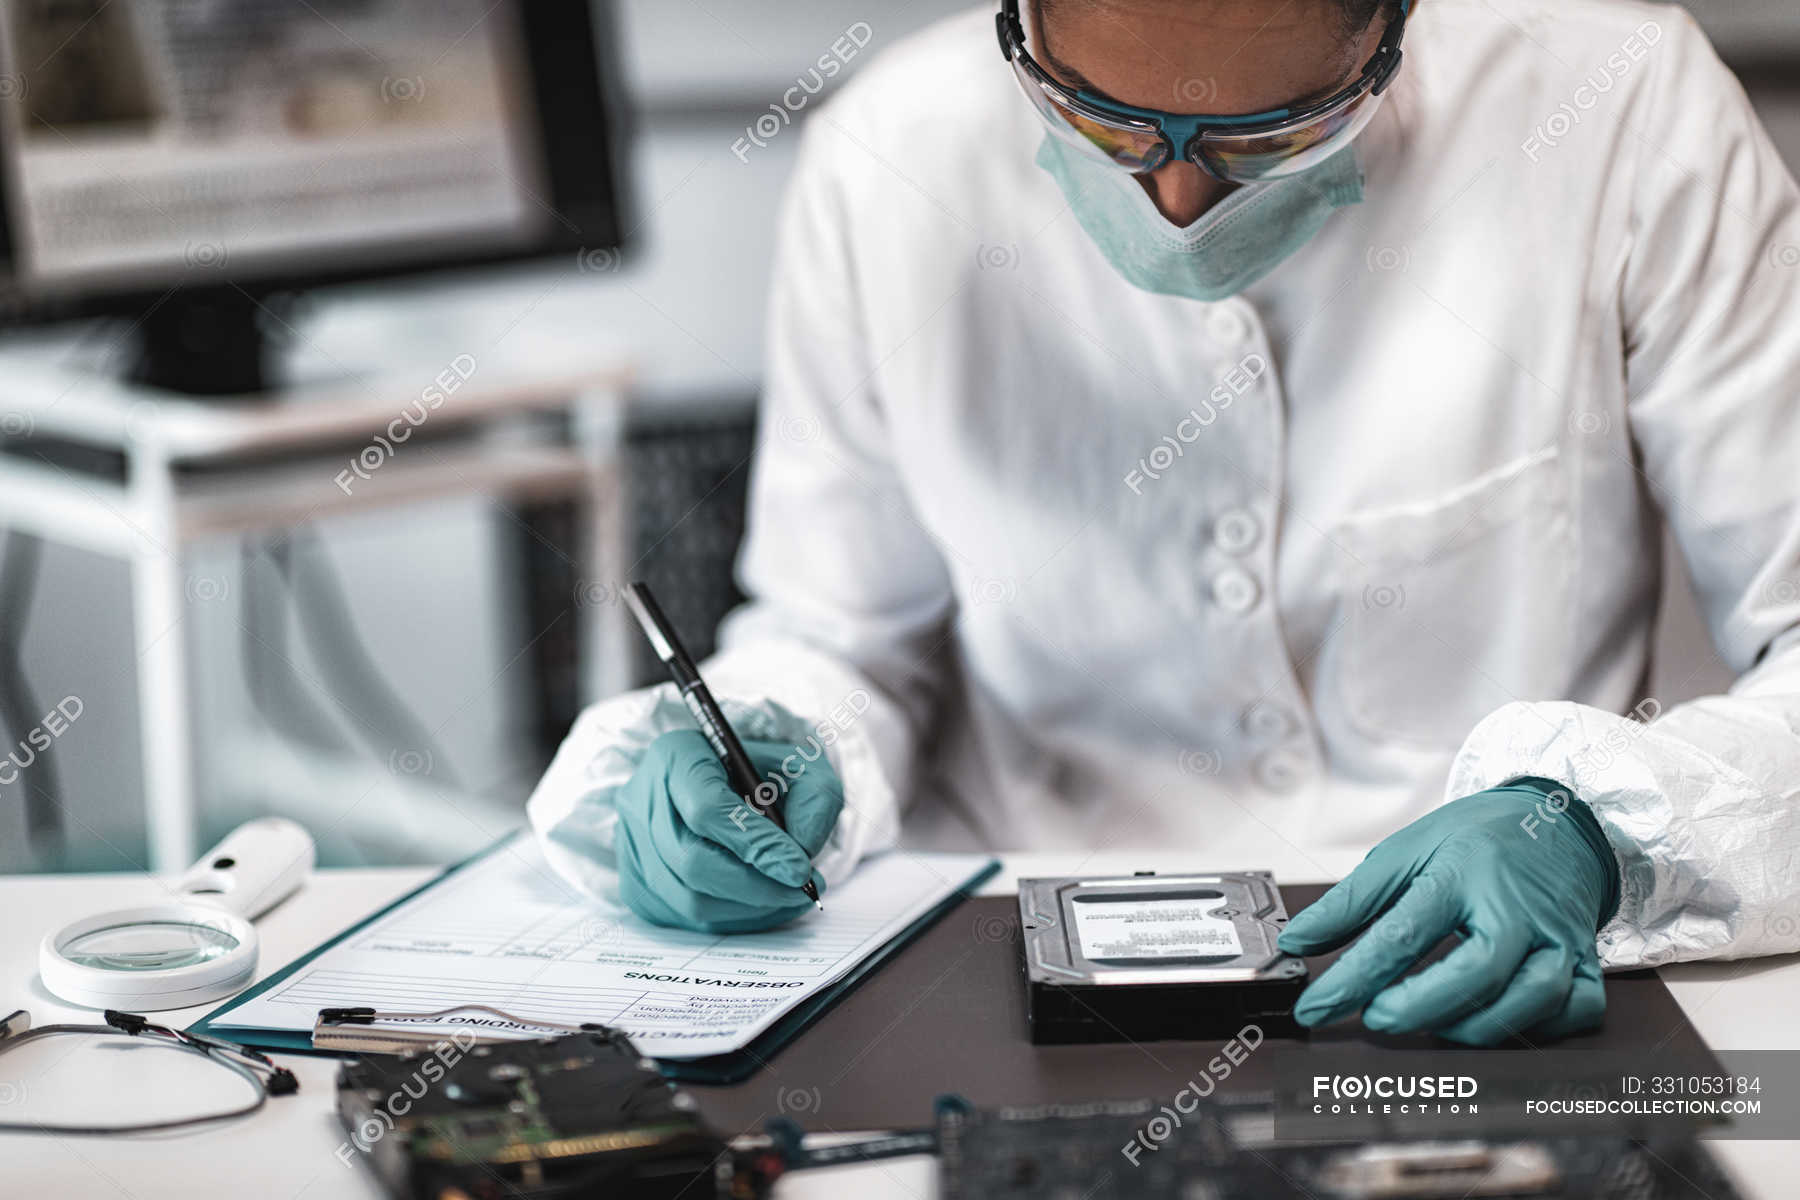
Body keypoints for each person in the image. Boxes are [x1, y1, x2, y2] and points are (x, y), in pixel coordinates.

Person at [529, 0, 1800, 1045]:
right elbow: (848, 635)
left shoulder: (1623, 108)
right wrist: (785, 739)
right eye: (1099, 124)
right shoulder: (887, 161)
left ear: (1393, 30)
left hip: (1483, 967)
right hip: (1004, 968)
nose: (1180, 200)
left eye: (1273, 136)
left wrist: (1595, 828)